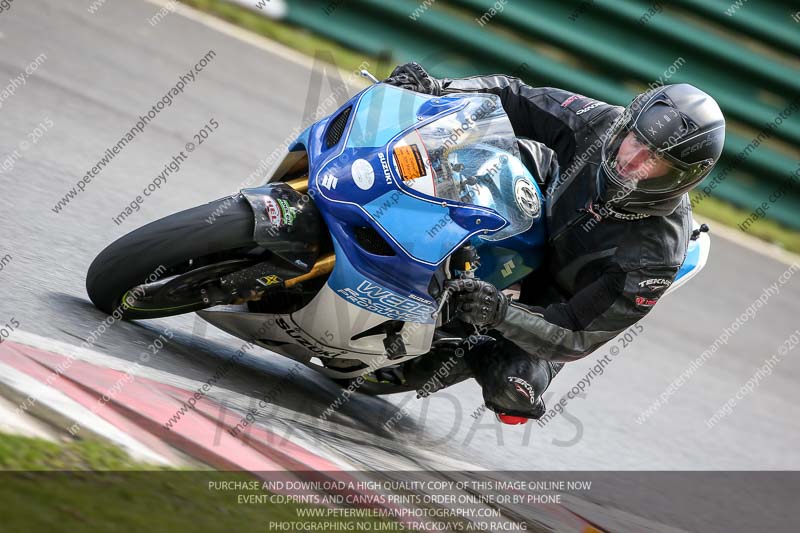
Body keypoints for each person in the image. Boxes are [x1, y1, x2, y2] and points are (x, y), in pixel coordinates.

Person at [375, 63, 726, 424]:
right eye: (636, 140)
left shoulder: (655, 257)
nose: (630, 159)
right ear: (627, 126)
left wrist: (498, 312)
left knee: (514, 388)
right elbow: (515, 97)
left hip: (555, 300)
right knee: (465, 148)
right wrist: (438, 86)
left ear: (680, 178)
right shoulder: (600, 125)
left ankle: (462, 343)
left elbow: (576, 333)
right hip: (536, 200)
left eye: (654, 159)